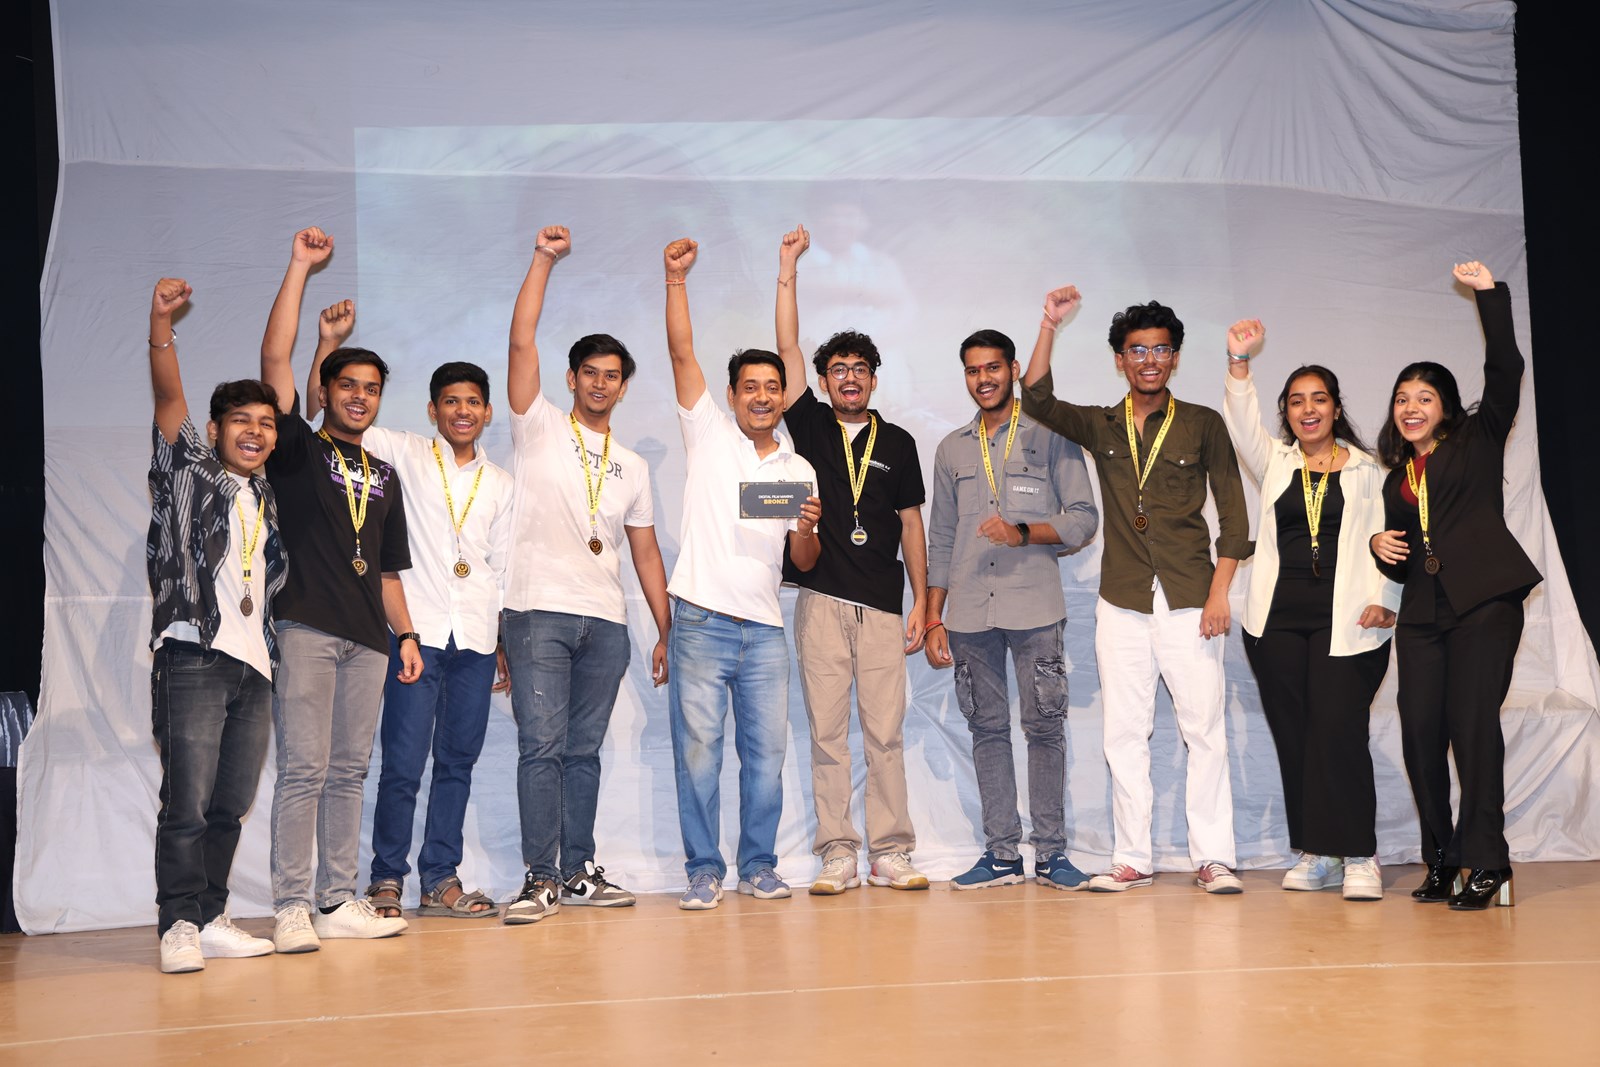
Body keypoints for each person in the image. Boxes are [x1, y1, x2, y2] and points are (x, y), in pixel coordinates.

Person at [1021, 286, 1252, 894]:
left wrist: (1220, 594)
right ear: (1120, 359)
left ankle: (1214, 857)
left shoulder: (1202, 423)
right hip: (1122, 600)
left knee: (1203, 731)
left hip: (1191, 599)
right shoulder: (1102, 423)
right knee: (1124, 733)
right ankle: (1132, 857)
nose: (1150, 360)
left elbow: (1235, 518)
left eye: (1161, 349)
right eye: (1137, 351)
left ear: (1174, 357)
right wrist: (1048, 325)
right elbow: (1037, 398)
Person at [308, 301, 512, 921]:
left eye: (472, 402)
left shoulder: (502, 483)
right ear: (432, 410)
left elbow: (501, 569)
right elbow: (324, 416)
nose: (462, 411)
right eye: (450, 402)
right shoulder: (400, 450)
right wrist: (328, 344)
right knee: (401, 764)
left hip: (475, 640)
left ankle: (440, 878)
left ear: (487, 412)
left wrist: (501, 642)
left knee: (457, 764)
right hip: (414, 637)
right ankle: (386, 879)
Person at [499, 225, 672, 924]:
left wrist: (667, 628)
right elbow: (521, 341)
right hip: (537, 611)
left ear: (623, 387)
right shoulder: (536, 425)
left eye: (612, 376)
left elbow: (646, 553)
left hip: (606, 622)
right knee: (540, 747)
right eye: (589, 373)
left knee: (583, 752)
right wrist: (543, 260)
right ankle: (539, 877)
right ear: (570, 379)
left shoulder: (633, 465)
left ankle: (577, 871)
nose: (600, 383)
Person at [258, 226, 421, 951]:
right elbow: (274, 361)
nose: (360, 397)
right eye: (347, 385)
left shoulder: (384, 474)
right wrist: (300, 267)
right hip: (306, 627)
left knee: (351, 770)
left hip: (369, 639)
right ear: (325, 391)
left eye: (371, 389)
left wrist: (405, 633)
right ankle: (291, 904)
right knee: (305, 769)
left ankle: (335, 898)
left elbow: (386, 570)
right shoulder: (297, 448)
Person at [1370, 261, 1541, 911]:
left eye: (1423, 397)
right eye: (1401, 399)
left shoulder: (1478, 438)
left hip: (1484, 604)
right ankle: (1441, 858)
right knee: (1420, 735)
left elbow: (1506, 371)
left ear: (1445, 406)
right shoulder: (1396, 480)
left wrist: (1489, 296)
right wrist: (1380, 548)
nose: (1410, 408)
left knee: (1473, 728)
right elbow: (1401, 561)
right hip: (1422, 616)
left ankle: (1488, 861)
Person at [662, 236, 821, 910]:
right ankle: (704, 869)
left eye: (771, 387)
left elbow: (801, 563)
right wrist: (675, 280)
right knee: (699, 753)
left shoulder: (797, 468)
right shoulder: (707, 434)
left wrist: (807, 528)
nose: (761, 396)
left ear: (784, 396)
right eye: (749, 387)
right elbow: (682, 353)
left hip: (764, 630)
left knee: (766, 758)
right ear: (730, 395)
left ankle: (759, 865)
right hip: (699, 621)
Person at [772, 225, 930, 894]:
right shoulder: (809, 425)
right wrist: (788, 266)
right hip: (821, 601)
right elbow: (785, 345)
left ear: (872, 379)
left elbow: (911, 525)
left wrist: (923, 602)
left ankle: (891, 851)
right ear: (822, 380)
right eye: (838, 369)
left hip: (883, 606)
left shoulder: (898, 441)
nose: (849, 378)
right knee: (828, 734)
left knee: (885, 733)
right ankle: (838, 850)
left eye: (860, 369)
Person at [1221, 320, 1399, 901]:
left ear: (1336, 407)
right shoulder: (1276, 461)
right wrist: (1239, 363)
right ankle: (1317, 851)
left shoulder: (1370, 470)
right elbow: (1241, 421)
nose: (1308, 409)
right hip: (1275, 623)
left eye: (1318, 399)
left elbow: (1393, 543)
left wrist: (1388, 602)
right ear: (1287, 413)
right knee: (1296, 735)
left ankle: (1360, 854)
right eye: (1296, 401)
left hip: (1347, 622)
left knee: (1338, 731)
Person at [145, 277, 286, 973]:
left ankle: (210, 914)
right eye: (241, 421)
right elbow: (169, 397)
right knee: (189, 803)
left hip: (255, 665)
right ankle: (177, 924)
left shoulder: (268, 497)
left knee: (230, 803)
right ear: (215, 429)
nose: (255, 432)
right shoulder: (190, 472)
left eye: (266, 423)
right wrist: (161, 325)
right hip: (194, 655)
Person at [926, 330, 1099, 889]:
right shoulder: (952, 448)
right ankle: (1001, 853)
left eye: (993, 368)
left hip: (1035, 607)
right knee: (986, 730)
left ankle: (1051, 854)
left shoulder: (1050, 434)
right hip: (969, 613)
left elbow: (1084, 518)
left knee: (1045, 729)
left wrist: (1023, 532)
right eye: (973, 370)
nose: (984, 379)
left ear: (1014, 369)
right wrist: (933, 616)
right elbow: (941, 538)